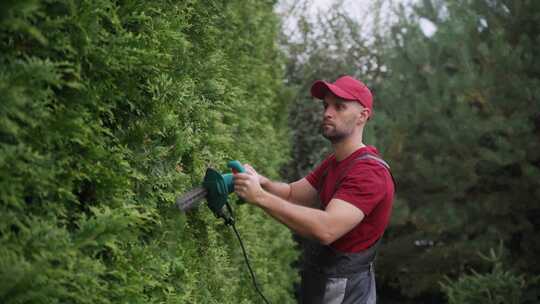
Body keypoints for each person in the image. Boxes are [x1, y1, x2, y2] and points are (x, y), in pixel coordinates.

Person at [234, 75, 395, 304]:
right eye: (326, 105)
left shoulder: (369, 172)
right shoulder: (336, 161)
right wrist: (262, 182)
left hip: (344, 290)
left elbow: (326, 229)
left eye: (339, 106)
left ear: (363, 116)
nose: (328, 112)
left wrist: (260, 197)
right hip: (322, 282)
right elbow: (291, 193)